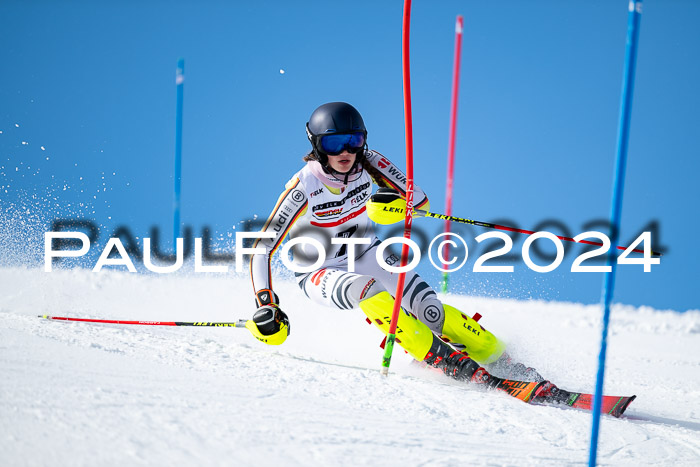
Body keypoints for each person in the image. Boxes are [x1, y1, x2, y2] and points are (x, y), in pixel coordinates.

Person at [247, 102, 544, 387]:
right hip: (318, 270)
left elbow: (420, 201)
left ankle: (502, 360)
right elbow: (262, 248)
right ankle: (441, 359)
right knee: (369, 290)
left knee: (429, 309)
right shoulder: (304, 187)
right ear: (317, 145)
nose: (346, 151)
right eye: (334, 143)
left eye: (354, 140)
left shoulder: (370, 163)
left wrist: (396, 202)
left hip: (366, 252)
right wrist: (266, 303)